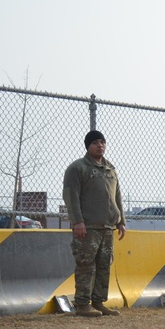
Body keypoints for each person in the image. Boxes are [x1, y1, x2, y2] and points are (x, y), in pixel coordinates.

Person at [62, 130, 126, 317]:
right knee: (86, 265)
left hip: (107, 228)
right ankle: (82, 305)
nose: (100, 145)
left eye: (103, 142)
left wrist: (121, 221)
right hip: (88, 228)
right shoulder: (77, 168)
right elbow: (70, 196)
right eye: (96, 142)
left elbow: (117, 196)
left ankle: (98, 302)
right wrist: (78, 222)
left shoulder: (110, 169)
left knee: (104, 266)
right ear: (88, 146)